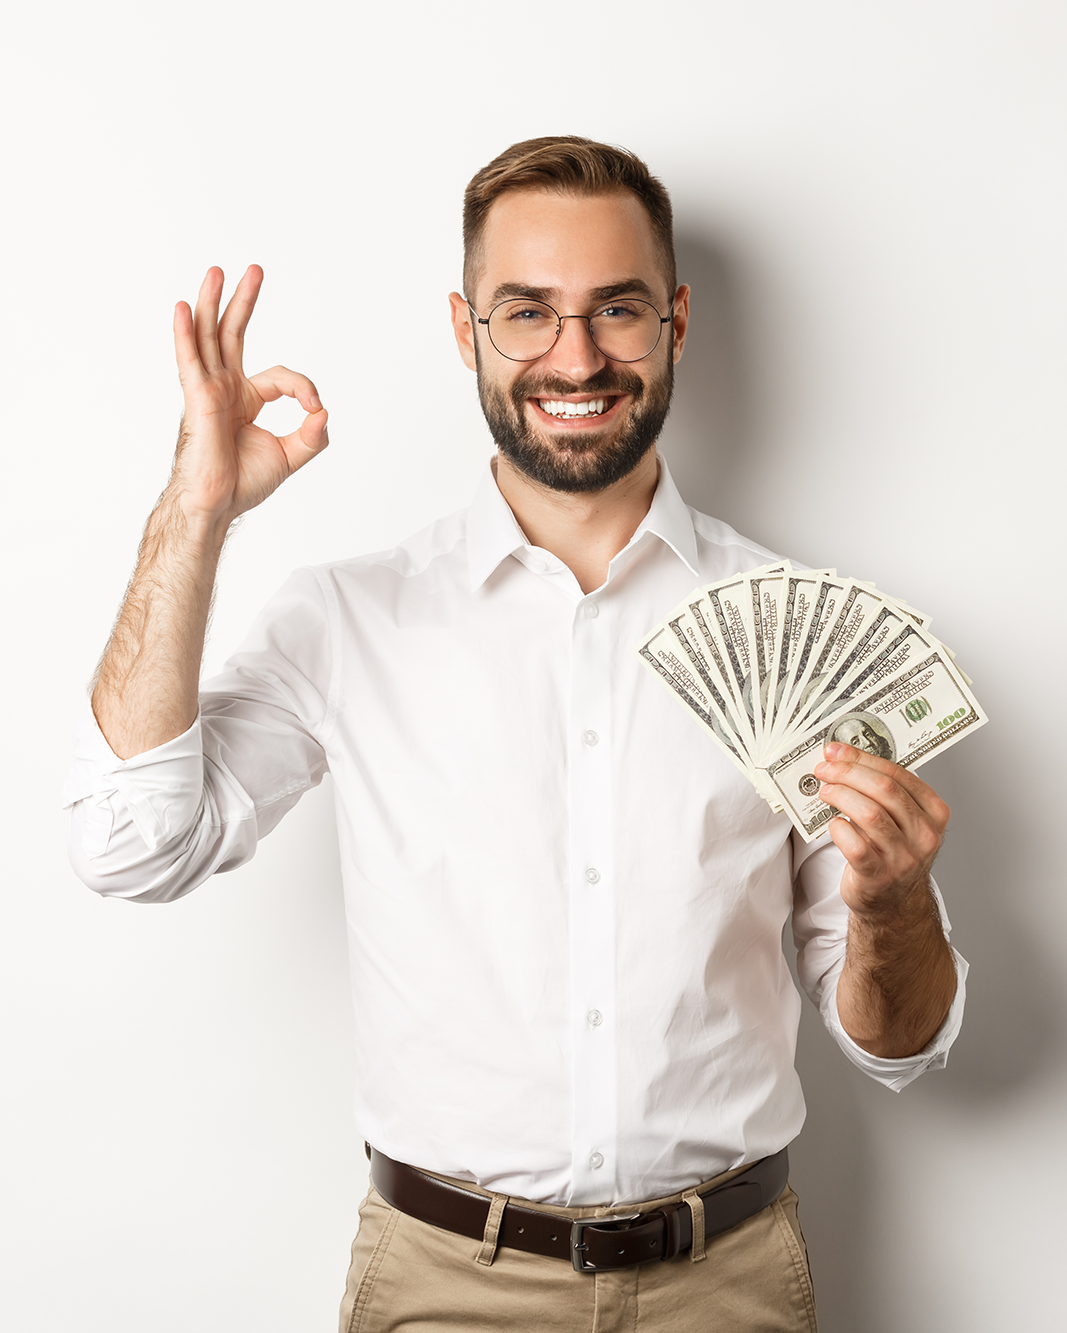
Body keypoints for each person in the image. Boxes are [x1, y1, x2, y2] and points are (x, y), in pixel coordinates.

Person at [65, 137, 966, 1333]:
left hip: (728, 1287)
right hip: (443, 1288)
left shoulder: (791, 636)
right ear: (464, 329)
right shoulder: (348, 619)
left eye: (618, 310)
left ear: (677, 322)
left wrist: (893, 906)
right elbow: (129, 847)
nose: (576, 357)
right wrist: (192, 510)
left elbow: (898, 1048)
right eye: (526, 313)